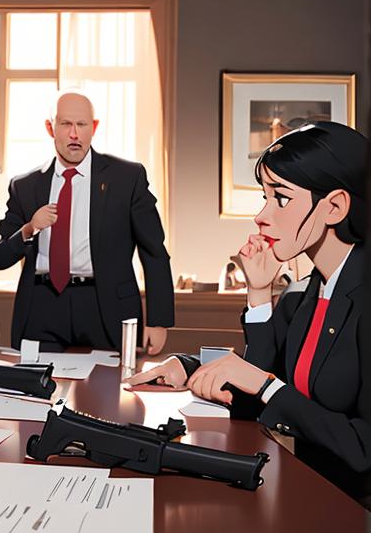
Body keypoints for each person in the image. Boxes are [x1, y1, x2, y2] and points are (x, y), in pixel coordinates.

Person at [128, 122, 370, 505]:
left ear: (335, 206)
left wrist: (265, 385)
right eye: (264, 197)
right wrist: (257, 292)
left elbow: (362, 449)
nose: (261, 216)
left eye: (282, 199)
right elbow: (262, 379)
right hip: (305, 496)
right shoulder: (306, 294)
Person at [0, 91, 173, 353]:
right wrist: (30, 228)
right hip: (42, 307)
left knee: (107, 392)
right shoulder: (25, 186)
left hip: (105, 306)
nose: (74, 134)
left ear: (93, 127)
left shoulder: (127, 178)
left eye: (82, 125)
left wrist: (159, 321)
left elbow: (154, 251)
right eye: (65, 124)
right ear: (50, 128)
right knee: (36, 391)